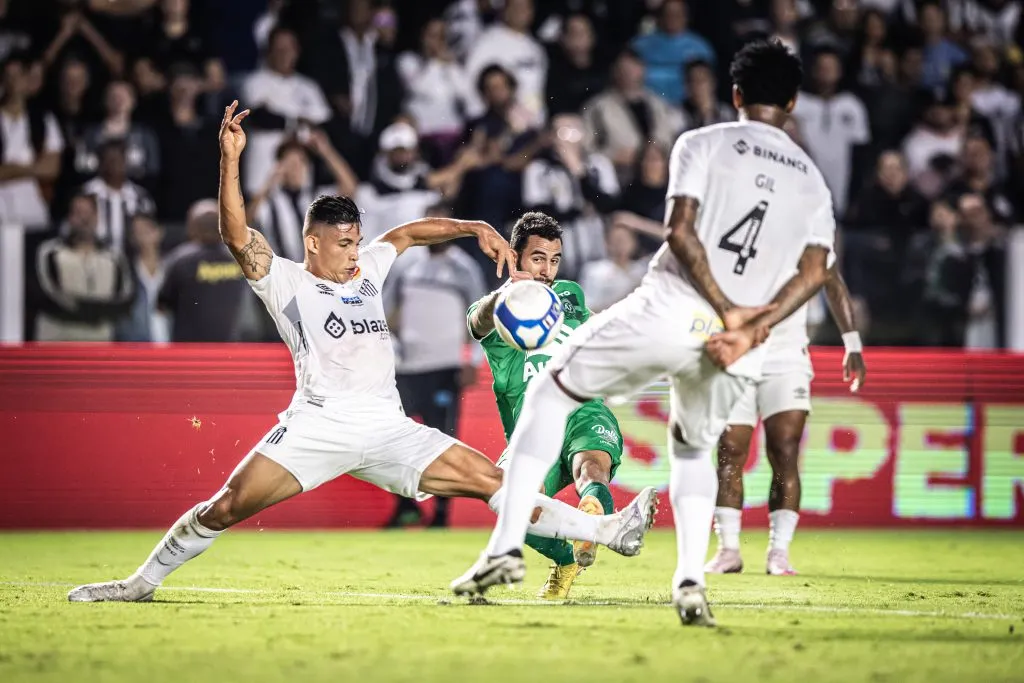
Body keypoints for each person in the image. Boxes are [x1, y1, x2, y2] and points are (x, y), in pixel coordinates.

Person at [67, 101, 658, 603]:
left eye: (356, 241)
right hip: (317, 425)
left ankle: (609, 531)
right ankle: (140, 581)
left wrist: (471, 224)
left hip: (388, 427)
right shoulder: (286, 281)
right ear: (312, 242)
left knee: (491, 480)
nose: (355, 253)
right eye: (343, 243)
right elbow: (234, 234)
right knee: (225, 507)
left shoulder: (370, 269)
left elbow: (405, 234)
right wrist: (230, 160)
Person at [453, 40, 835, 629]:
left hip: (669, 306)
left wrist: (719, 303)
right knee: (690, 448)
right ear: (793, 100)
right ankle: (688, 581)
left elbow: (679, 233)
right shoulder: (812, 180)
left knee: (554, 391)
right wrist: (745, 322)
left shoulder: (700, 143)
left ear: (734, 94)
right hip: (730, 336)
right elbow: (815, 272)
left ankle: (503, 549)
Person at [466, 212, 628, 600]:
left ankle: (591, 516)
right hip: (532, 425)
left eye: (554, 260)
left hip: (581, 404)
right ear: (514, 256)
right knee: (510, 505)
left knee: (591, 467)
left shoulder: (570, 293)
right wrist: (508, 296)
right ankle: (569, 556)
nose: (547, 269)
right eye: (538, 258)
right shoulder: (496, 310)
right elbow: (478, 321)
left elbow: (593, 327)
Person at [706, 265, 866, 576]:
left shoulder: (805, 233)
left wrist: (853, 343)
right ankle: (728, 550)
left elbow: (829, 277)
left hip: (786, 357)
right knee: (729, 450)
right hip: (736, 352)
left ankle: (779, 552)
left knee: (785, 452)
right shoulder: (740, 227)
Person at [384, 203, 487, 529]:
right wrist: (393, 347)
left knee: (442, 440)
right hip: (408, 366)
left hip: (445, 366)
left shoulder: (464, 268)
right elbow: (385, 309)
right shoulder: (407, 266)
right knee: (393, 436)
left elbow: (481, 319)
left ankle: (442, 514)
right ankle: (406, 504)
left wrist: (472, 361)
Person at [35, 192, 134, 341]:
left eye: (89, 213)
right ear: (70, 217)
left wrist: (95, 311)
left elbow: (125, 297)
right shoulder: (50, 252)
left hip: (99, 341)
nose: (84, 219)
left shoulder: (114, 257)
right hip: (58, 339)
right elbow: (46, 293)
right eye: (78, 212)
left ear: (97, 218)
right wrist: (91, 311)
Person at [158, 199, 249, 343]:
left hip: (189, 350)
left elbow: (161, 306)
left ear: (192, 227)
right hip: (228, 349)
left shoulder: (181, 260)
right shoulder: (239, 259)